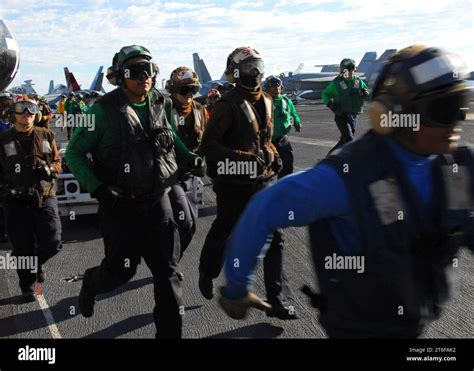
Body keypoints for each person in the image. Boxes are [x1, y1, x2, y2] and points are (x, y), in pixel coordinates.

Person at [218, 45, 473, 338]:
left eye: (460, 106)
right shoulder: (347, 177)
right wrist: (236, 287)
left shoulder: (459, 167)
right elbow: (265, 207)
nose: (454, 123)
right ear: (395, 113)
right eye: (442, 110)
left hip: (416, 323)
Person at [66, 45, 203, 338]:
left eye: (148, 70)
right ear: (120, 76)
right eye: (136, 72)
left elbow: (172, 137)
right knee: (120, 272)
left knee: (168, 274)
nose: (145, 77)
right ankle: (91, 282)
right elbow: (74, 154)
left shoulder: (160, 103)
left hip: (157, 199)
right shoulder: (101, 111)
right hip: (120, 205)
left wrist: (190, 157)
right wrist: (98, 189)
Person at [198, 46, 296, 319]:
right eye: (249, 67)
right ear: (235, 72)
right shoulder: (225, 106)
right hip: (233, 183)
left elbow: (265, 139)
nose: (256, 72)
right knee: (226, 228)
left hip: (263, 180)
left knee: (275, 235)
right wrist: (243, 157)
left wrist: (273, 155)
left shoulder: (266, 101)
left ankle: (277, 298)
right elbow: (209, 146)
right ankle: (207, 271)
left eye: (258, 66)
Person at [0, 95, 62, 301]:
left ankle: (36, 263)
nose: (26, 113)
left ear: (36, 114)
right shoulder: (3, 140)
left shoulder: (46, 135)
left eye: (31, 108)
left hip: (43, 195)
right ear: (13, 113)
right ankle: (28, 284)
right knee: (22, 245)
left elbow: (57, 162)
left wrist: (49, 169)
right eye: (21, 108)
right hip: (15, 200)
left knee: (53, 242)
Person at [165, 66, 207, 261]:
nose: (189, 94)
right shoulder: (163, 109)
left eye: (193, 89)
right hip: (169, 176)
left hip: (191, 176)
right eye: (184, 90)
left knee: (191, 226)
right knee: (185, 221)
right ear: (173, 89)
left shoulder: (200, 110)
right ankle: (168, 266)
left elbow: (208, 140)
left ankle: (171, 260)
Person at [322, 58, 370, 155]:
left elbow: (367, 95)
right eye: (347, 69)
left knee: (344, 140)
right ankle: (354, 162)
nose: (349, 71)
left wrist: (365, 93)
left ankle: (328, 158)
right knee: (349, 140)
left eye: (351, 68)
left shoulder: (358, 82)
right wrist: (330, 104)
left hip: (353, 116)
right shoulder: (337, 83)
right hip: (341, 116)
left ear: (354, 70)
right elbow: (325, 94)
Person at [265, 75, 301, 179]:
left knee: (288, 165)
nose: (277, 89)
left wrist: (297, 122)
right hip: (268, 141)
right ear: (268, 88)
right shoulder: (264, 102)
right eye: (273, 87)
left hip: (283, 139)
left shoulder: (286, 101)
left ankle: (283, 187)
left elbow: (293, 114)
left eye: (279, 86)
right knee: (268, 168)